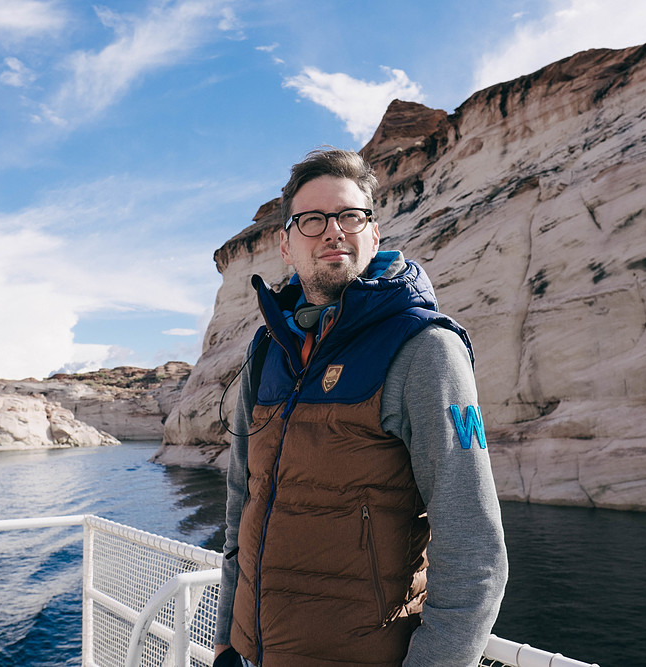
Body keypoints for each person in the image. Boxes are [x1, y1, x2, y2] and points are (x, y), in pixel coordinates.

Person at [213, 148, 508, 667]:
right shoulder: (266, 352)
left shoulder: (423, 349)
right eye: (312, 220)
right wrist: (225, 641)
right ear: (285, 243)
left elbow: (474, 550)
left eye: (350, 216)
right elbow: (242, 505)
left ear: (373, 235)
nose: (333, 231)